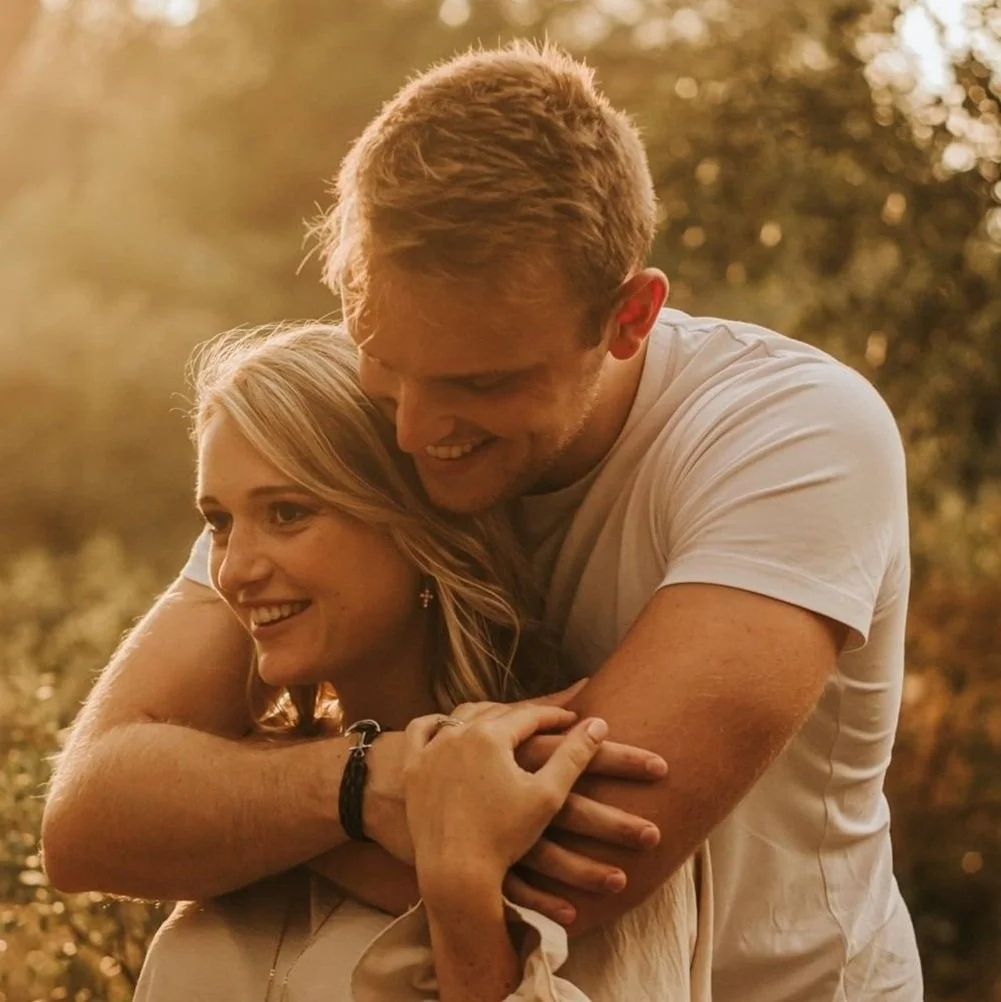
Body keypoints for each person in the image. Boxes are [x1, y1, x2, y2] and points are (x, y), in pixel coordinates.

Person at [42, 40, 922, 1000]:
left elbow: (553, 870)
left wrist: (226, 808)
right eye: (382, 357)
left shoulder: (791, 436)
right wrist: (370, 784)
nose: (415, 432)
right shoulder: (352, 422)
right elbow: (91, 820)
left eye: (481, 382)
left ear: (629, 316)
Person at [131, 322, 711, 1001]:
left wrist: (461, 891)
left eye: (287, 513)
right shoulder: (236, 793)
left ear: (413, 527)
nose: (234, 570)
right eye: (219, 522)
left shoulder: (563, 793)